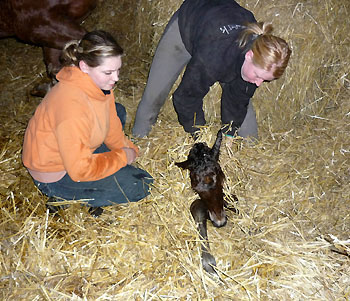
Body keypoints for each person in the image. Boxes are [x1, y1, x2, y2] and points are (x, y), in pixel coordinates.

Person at [22, 30, 153, 216]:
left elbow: (112, 125)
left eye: (118, 70)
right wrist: (122, 157)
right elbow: (80, 170)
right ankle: (63, 197)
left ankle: (97, 181)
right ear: (84, 66)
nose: (115, 78)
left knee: (118, 110)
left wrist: (129, 149)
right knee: (141, 185)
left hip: (74, 150)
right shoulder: (71, 107)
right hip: (56, 173)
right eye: (108, 72)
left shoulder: (100, 85)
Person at [132, 0, 291, 139]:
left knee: (243, 104)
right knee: (154, 95)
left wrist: (229, 135)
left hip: (219, 29)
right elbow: (186, 98)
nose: (259, 84)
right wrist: (200, 135)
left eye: (265, 79)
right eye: (258, 76)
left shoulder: (257, 52)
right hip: (187, 27)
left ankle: (253, 153)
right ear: (249, 56)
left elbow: (237, 101)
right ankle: (138, 144)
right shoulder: (214, 58)